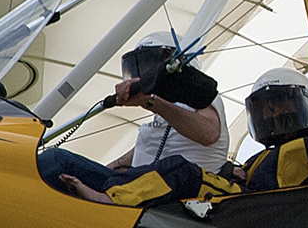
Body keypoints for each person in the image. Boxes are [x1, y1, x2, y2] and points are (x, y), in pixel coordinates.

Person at [59, 69, 308, 207]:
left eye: (281, 106)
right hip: (247, 203)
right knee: (175, 170)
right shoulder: (263, 158)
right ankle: (109, 188)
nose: (272, 116)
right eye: (265, 110)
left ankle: (111, 200)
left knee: (181, 170)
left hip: (253, 209)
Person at [37, 31, 230, 194]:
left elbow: (209, 133)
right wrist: (110, 168)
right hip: (138, 188)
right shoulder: (165, 112)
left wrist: (150, 101)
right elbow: (149, 147)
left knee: (56, 160)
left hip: (165, 197)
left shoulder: (203, 98)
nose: (144, 75)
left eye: (150, 67)